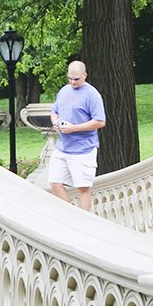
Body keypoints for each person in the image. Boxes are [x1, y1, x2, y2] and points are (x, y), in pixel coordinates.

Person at [48, 58, 106, 209]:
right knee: (54, 182)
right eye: (70, 78)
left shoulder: (92, 95)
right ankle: (71, 214)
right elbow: (54, 111)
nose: (72, 82)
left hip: (83, 149)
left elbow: (100, 121)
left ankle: (83, 223)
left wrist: (74, 128)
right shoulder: (64, 90)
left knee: (83, 188)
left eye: (76, 79)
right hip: (62, 147)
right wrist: (55, 123)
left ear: (85, 75)